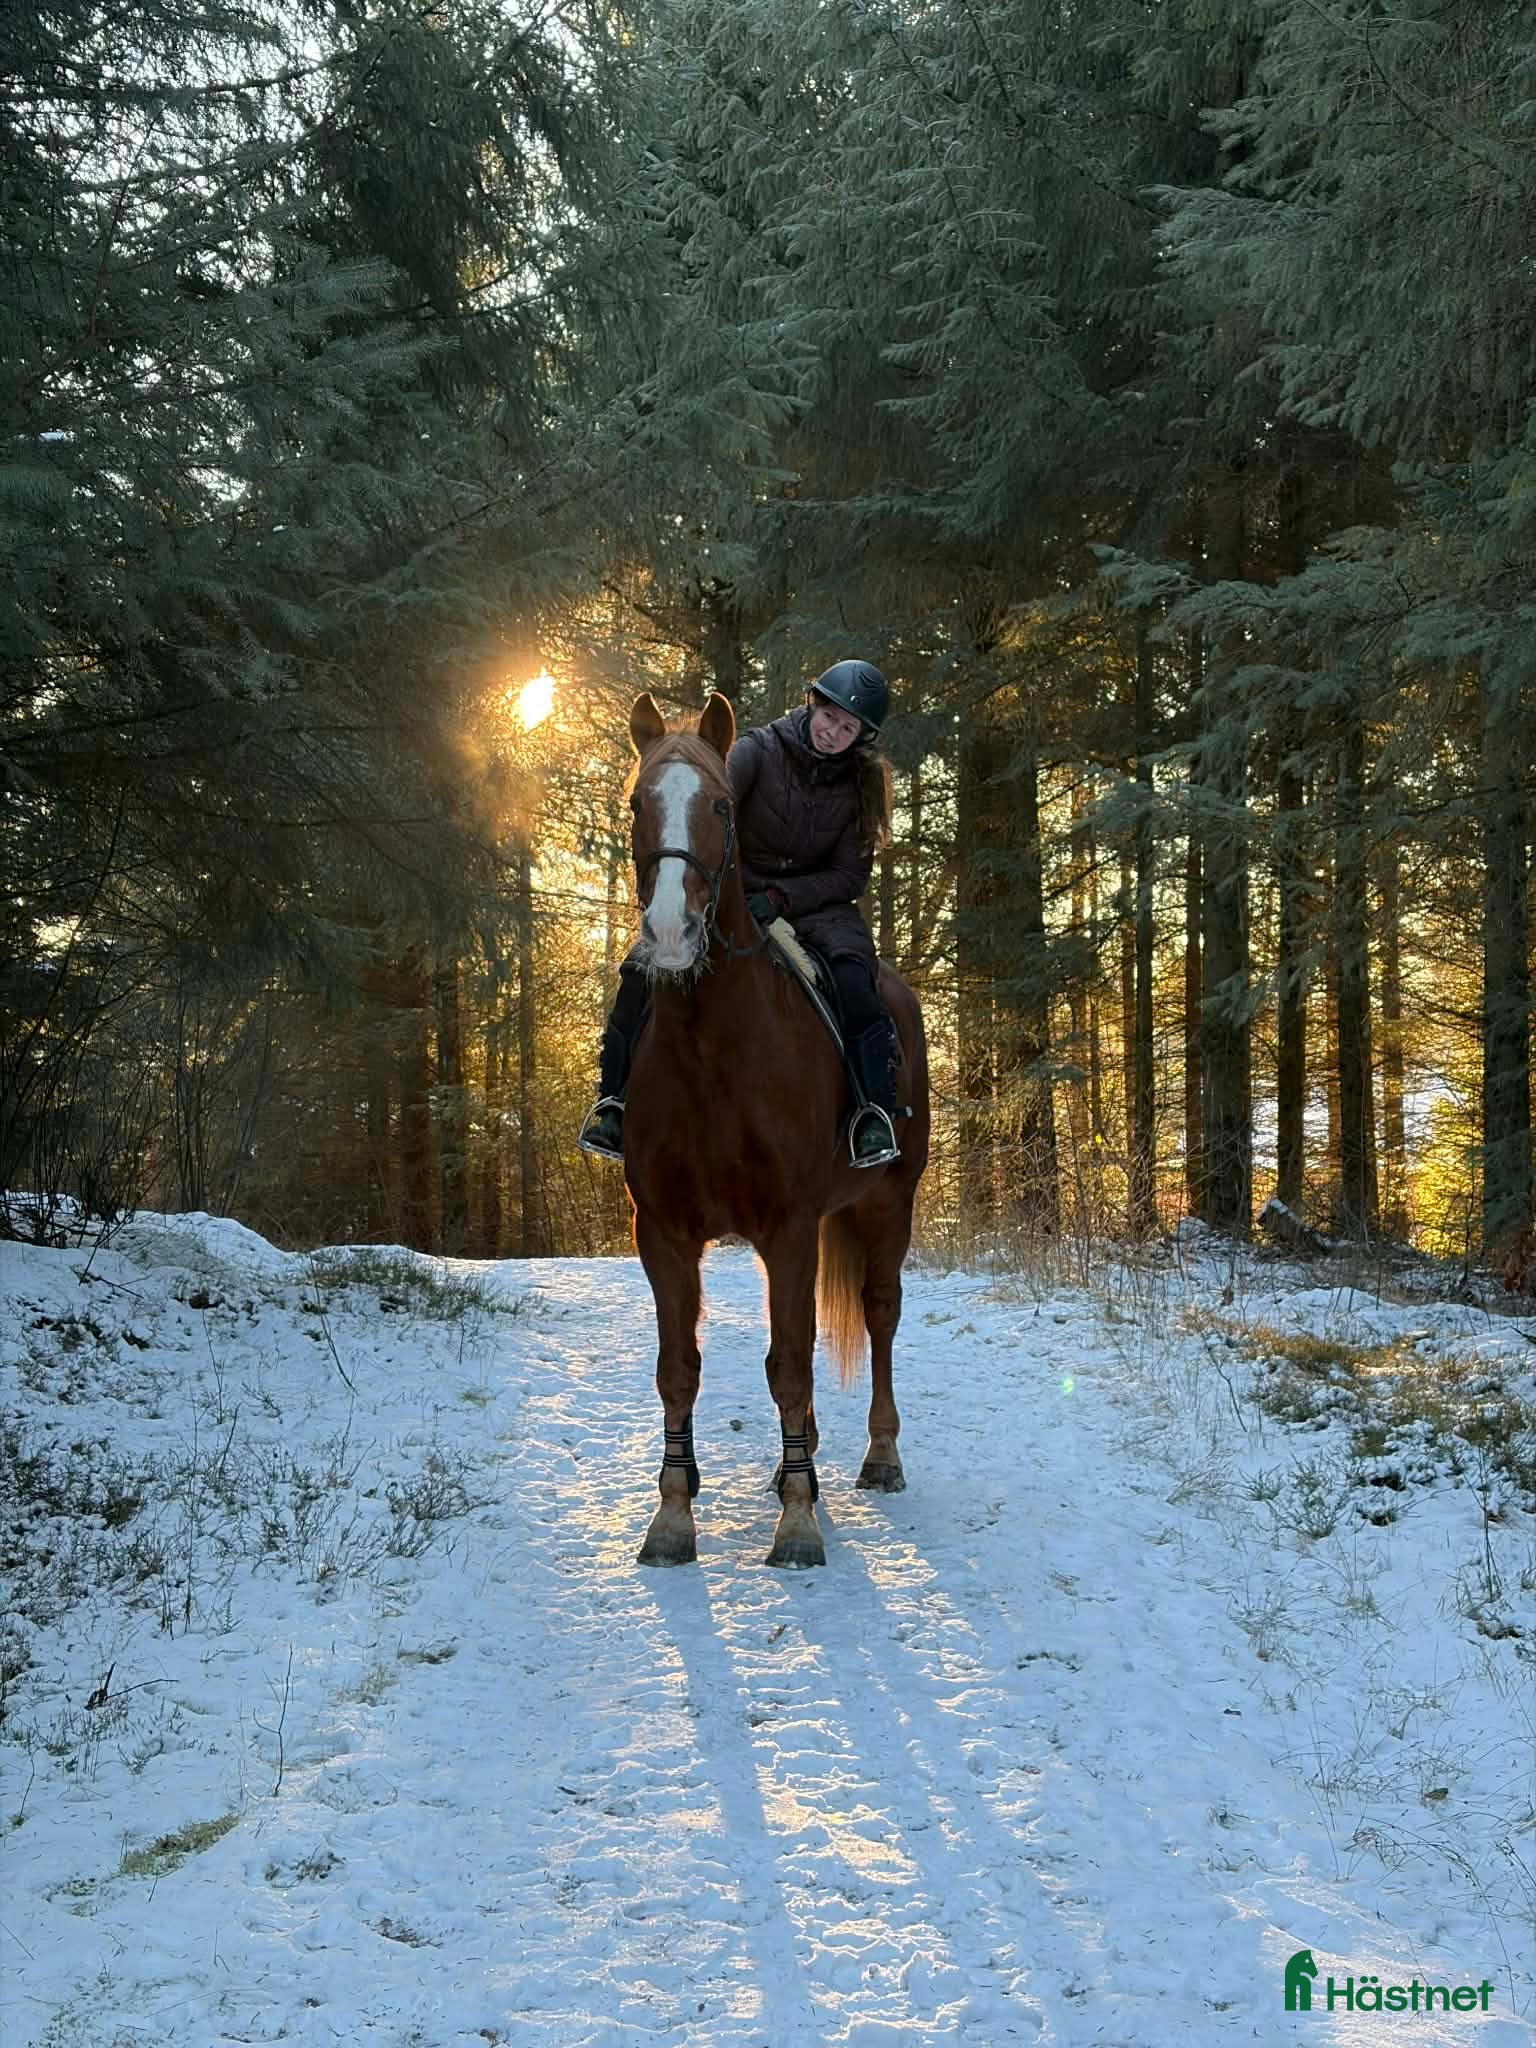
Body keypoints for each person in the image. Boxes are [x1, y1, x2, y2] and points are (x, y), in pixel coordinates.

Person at [579, 658, 903, 1168]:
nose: (834, 733)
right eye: (829, 717)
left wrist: (782, 899)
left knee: (857, 987)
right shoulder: (757, 750)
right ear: (812, 704)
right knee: (640, 971)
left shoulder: (860, 786)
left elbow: (850, 876)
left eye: (848, 728)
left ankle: (871, 1114)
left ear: (860, 735)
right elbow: (707, 816)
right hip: (731, 894)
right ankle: (612, 1103)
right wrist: (713, 890)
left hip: (818, 909)